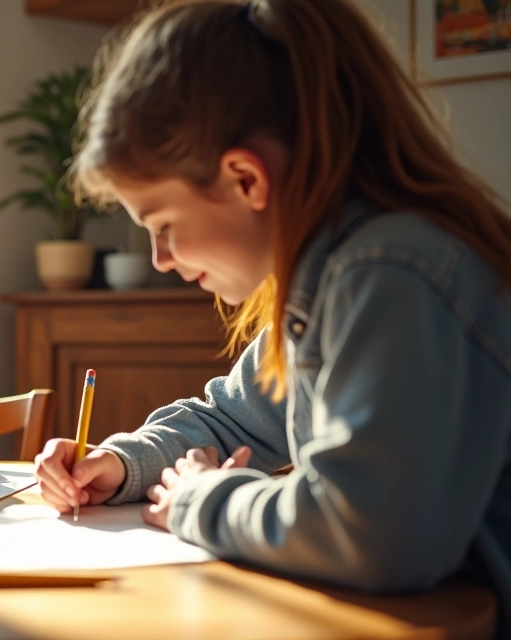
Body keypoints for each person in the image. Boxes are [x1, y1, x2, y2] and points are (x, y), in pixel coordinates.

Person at [35, 0, 511, 631]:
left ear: (244, 179)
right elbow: (231, 418)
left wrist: (201, 498)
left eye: (164, 226)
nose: (161, 259)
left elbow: (367, 535)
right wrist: (124, 463)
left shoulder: (389, 273)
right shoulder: (330, 281)